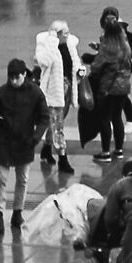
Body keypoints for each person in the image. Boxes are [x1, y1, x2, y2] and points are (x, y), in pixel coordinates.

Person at [0, 56, 49, 239]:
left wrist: (36, 137)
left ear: (24, 74)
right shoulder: (1, 92)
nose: (14, 81)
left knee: (22, 180)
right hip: (5, 142)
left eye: (17, 77)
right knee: (1, 180)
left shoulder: (35, 93)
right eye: (11, 77)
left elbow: (44, 117)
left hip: (25, 141)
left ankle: (17, 212)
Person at [89, 6, 132, 162]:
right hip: (123, 87)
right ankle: (119, 150)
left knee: (105, 119)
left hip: (108, 88)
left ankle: (105, 152)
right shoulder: (124, 46)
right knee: (117, 118)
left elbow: (97, 66)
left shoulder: (107, 47)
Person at [33, 21, 83, 174]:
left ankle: (47, 149)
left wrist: (81, 70)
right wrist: (52, 43)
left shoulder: (70, 45)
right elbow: (43, 62)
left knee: (54, 123)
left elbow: (75, 63)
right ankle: (63, 158)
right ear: (56, 34)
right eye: (64, 33)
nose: (67, 35)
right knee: (57, 125)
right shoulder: (45, 45)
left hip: (66, 91)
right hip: (53, 92)